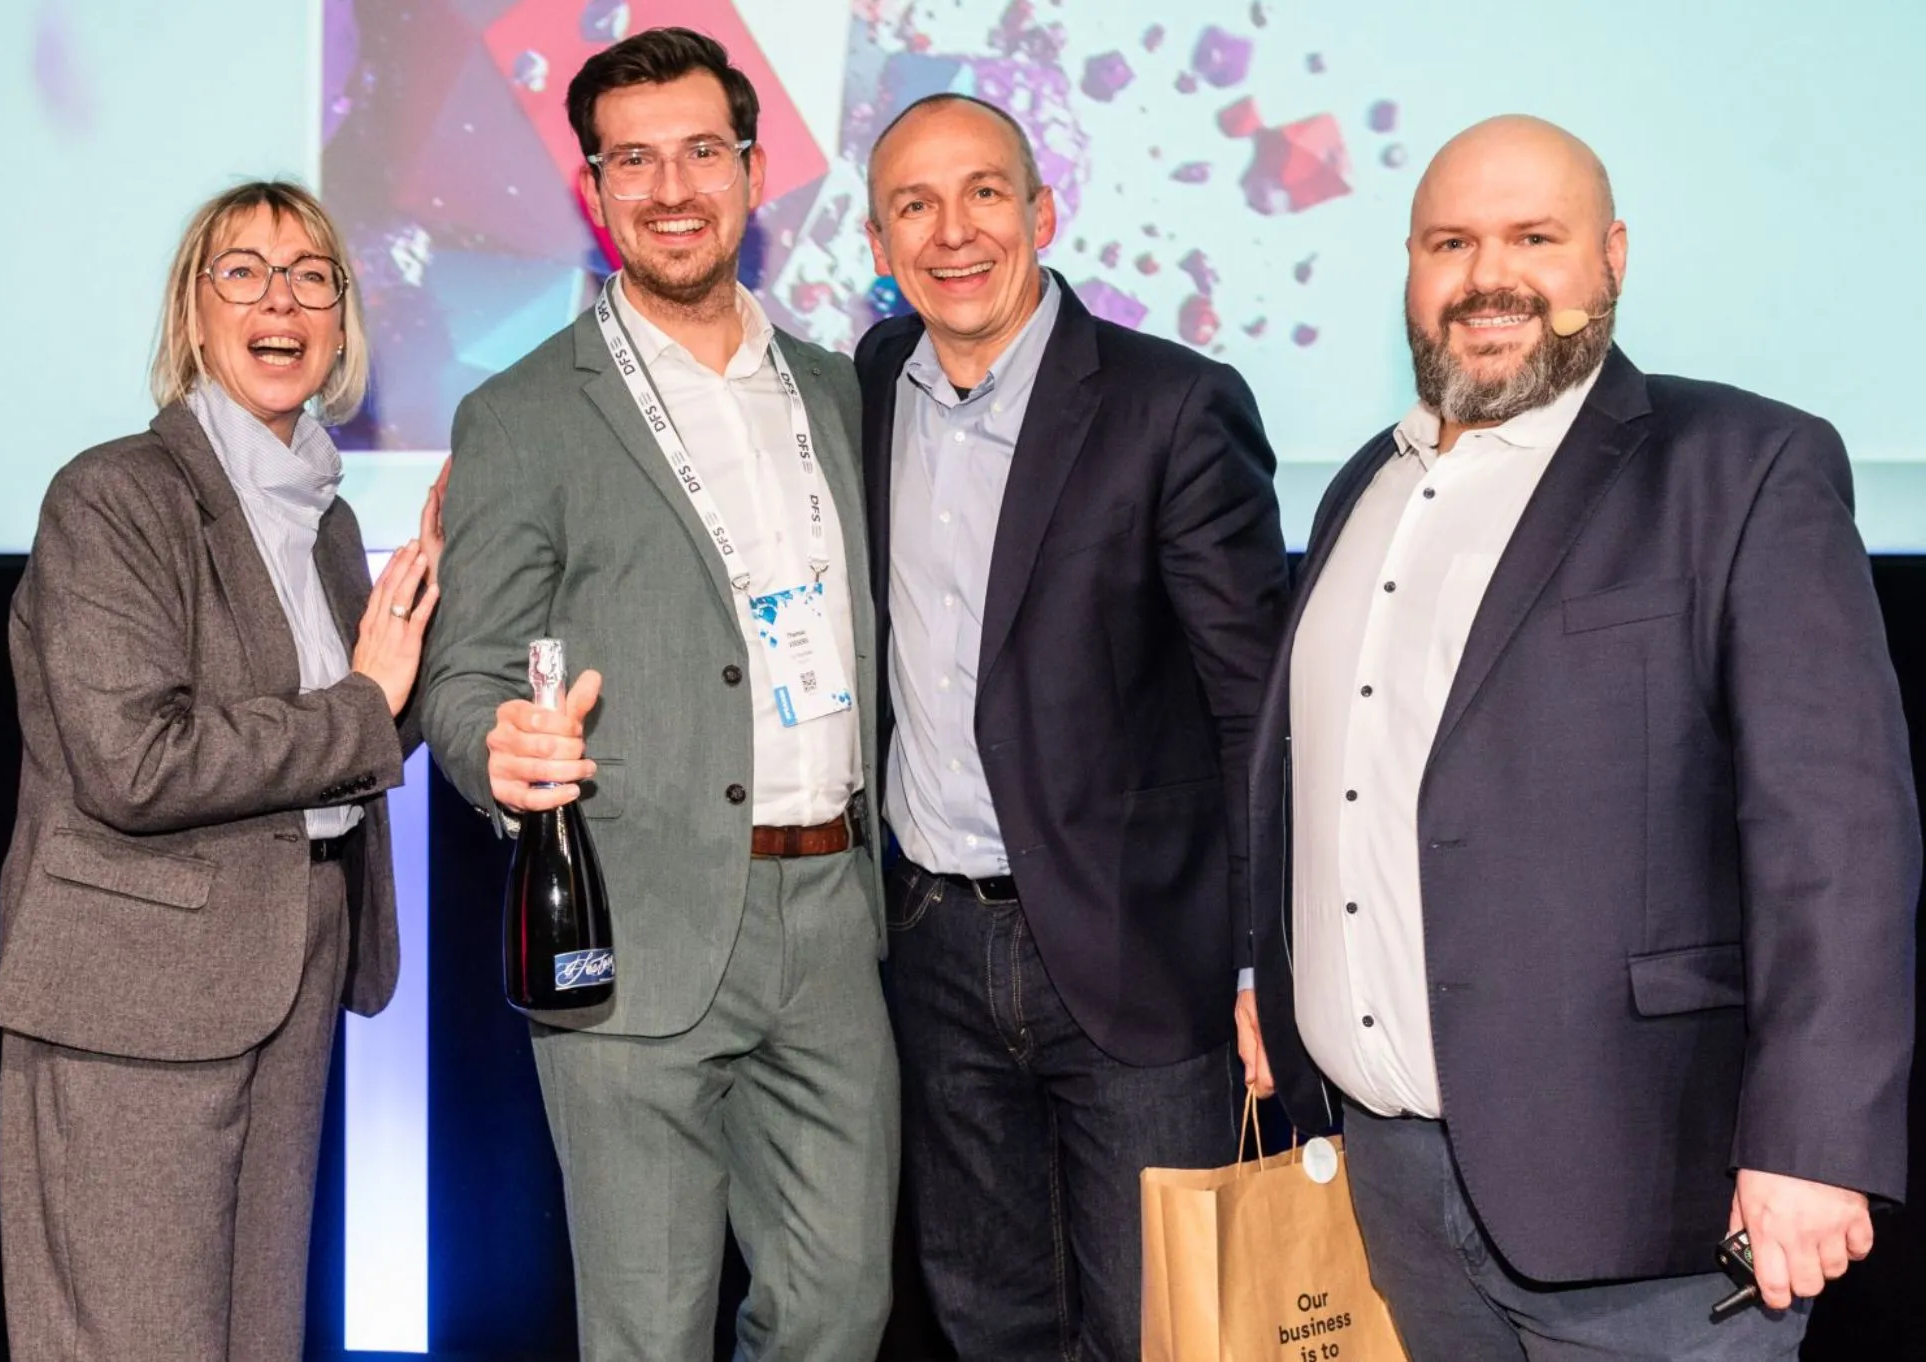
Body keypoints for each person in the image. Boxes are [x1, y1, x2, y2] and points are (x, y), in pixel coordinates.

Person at [1236, 115, 1919, 1360]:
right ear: (1407, 266)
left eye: (1532, 238)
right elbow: (1324, 789)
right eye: (1449, 242)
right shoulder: (1355, 490)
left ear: (1608, 256)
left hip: (1651, 1200)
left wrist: (1814, 1145)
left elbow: (1836, 839)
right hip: (1390, 1185)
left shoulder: (1744, 466)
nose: (1486, 276)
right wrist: (1271, 982)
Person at [419, 28, 897, 1362]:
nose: (670, 187)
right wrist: (494, 752)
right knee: (646, 1328)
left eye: (700, 152)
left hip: (832, 922)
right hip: (631, 920)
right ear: (593, 188)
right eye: (633, 160)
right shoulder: (522, 413)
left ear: (754, 172)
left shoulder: (841, 390)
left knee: (842, 1308)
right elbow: (466, 672)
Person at [856, 94, 1289, 1360]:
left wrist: (1264, 958)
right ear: (879, 245)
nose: (953, 232)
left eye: (984, 192)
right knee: (988, 1317)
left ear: (1043, 213)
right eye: (913, 206)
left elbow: (1252, 712)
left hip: (1134, 952)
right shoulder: (872, 385)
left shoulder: (1173, 406)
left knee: (1161, 1328)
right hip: (932, 944)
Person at [0, 180, 443, 1362]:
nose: (279, 298)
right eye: (241, 271)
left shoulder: (328, 524)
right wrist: (365, 702)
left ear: (340, 322)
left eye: (310, 276)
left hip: (287, 973)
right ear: (193, 313)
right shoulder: (116, 495)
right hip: (135, 1001)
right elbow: (137, 760)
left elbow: (363, 729)